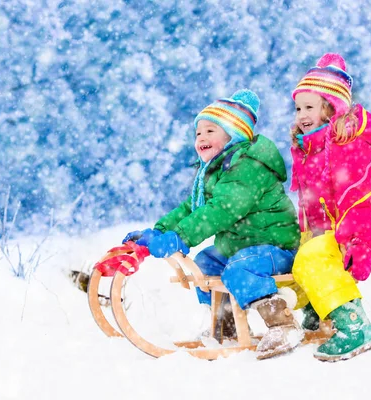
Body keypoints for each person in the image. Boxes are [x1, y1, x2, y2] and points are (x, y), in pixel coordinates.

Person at [123, 89, 302, 359]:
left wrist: (180, 237)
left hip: (274, 247)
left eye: (210, 131)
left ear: (234, 135)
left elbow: (221, 211)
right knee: (205, 264)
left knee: (239, 270)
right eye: (198, 133)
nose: (201, 138)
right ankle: (225, 325)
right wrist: (160, 231)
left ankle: (282, 323)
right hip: (241, 245)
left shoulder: (247, 167)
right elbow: (191, 208)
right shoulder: (216, 171)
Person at [289, 53, 371, 361]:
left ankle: (354, 326)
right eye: (298, 108)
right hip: (331, 234)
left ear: (331, 107)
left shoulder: (347, 145)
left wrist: (356, 242)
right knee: (299, 253)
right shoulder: (311, 147)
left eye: (310, 107)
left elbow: (357, 198)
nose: (302, 114)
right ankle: (317, 310)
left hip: (357, 235)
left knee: (312, 256)